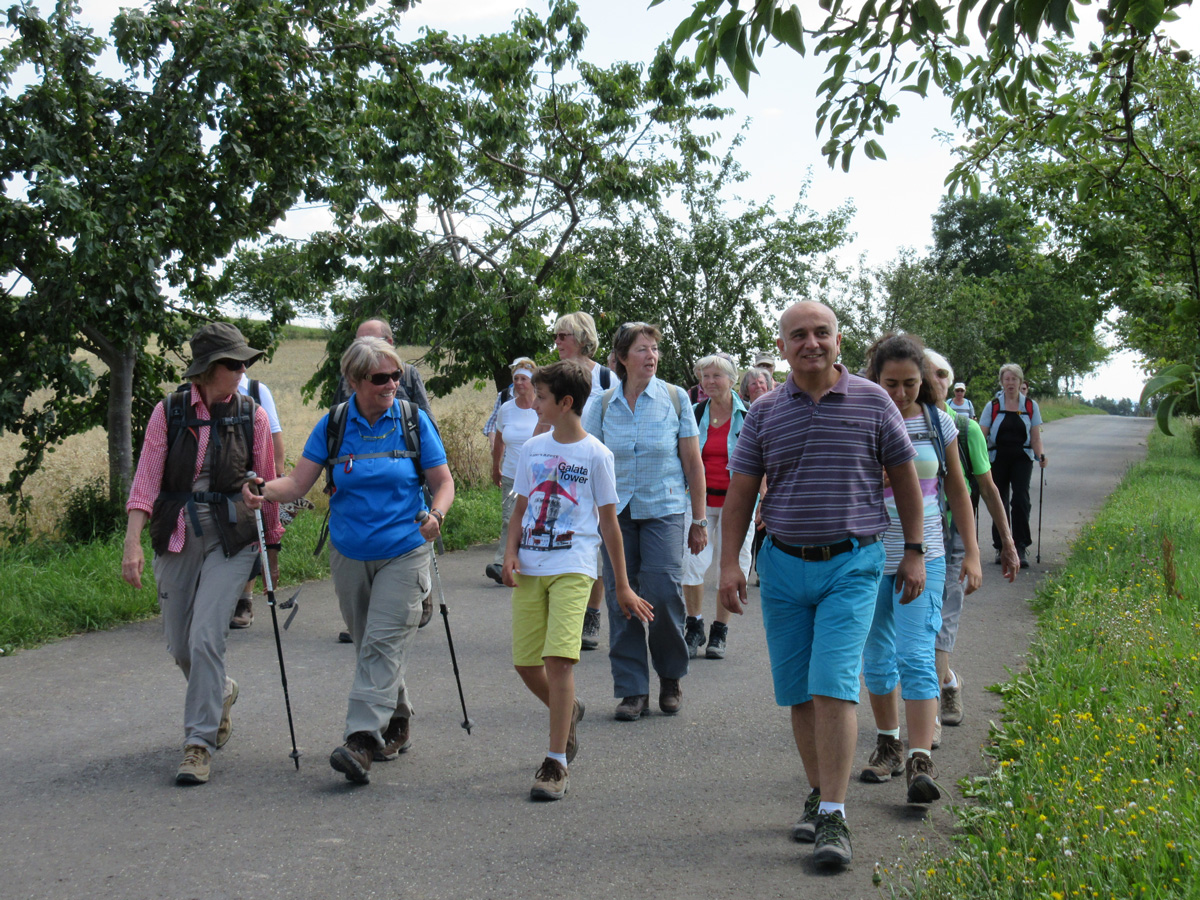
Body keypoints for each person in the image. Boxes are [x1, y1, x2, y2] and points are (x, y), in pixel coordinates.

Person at [717, 301, 926, 872]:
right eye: (798, 335)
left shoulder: (872, 400)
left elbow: (906, 480)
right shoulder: (762, 412)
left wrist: (913, 551)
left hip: (851, 564)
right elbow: (740, 493)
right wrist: (729, 567)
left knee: (833, 684)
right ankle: (818, 791)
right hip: (782, 566)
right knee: (799, 692)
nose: (811, 342)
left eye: (822, 333)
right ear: (782, 346)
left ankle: (833, 814)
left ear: (838, 340)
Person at [244, 336, 454, 785]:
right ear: (355, 380)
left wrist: (437, 515)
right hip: (349, 553)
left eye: (396, 375)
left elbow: (443, 482)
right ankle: (398, 720)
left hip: (405, 549)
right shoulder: (335, 424)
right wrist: (263, 490)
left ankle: (360, 741)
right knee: (369, 644)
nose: (392, 384)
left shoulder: (413, 421)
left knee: (379, 643)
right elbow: (297, 484)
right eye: (381, 377)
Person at [122, 322, 282, 785]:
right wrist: (132, 542)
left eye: (244, 363)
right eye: (234, 364)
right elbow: (147, 480)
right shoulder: (168, 411)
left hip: (231, 537)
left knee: (206, 636)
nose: (242, 370)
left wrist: (271, 547)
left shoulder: (251, 414)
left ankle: (198, 743)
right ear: (209, 370)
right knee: (178, 643)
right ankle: (221, 692)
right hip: (176, 530)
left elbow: (265, 482)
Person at [502, 360, 653, 800]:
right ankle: (567, 710)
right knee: (525, 664)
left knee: (559, 661)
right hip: (531, 567)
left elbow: (609, 525)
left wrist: (621, 585)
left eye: (543, 397)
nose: (535, 404)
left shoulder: (596, 455)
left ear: (566, 402)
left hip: (574, 566)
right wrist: (511, 552)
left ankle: (556, 763)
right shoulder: (533, 449)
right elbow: (520, 509)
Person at [857, 334, 982, 808]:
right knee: (877, 658)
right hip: (867, 555)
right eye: (891, 383)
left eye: (911, 383)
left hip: (924, 553)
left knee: (916, 654)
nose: (900, 393)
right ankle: (888, 744)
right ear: (875, 379)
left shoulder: (939, 422)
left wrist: (970, 551)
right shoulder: (860, 418)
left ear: (925, 382)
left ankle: (920, 759)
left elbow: (958, 492)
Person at [582, 322, 707, 721]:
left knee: (662, 590)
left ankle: (670, 675)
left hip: (664, 508)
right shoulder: (601, 404)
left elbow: (692, 462)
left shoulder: (675, 399)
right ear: (621, 357)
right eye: (641, 349)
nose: (651, 356)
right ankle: (632, 689)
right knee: (622, 597)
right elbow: (588, 460)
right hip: (614, 512)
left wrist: (699, 519)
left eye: (654, 349)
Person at [925, 350, 1020, 733]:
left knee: (940, 623)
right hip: (906, 539)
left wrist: (1007, 543)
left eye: (939, 376)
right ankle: (948, 682)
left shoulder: (966, 430)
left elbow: (988, 488)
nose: (932, 383)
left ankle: (925, 722)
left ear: (948, 383)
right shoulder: (895, 424)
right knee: (913, 631)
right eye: (925, 375)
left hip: (952, 537)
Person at [331, 317, 435, 640]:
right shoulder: (345, 387)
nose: (390, 382)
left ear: (390, 343)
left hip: (406, 476)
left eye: (372, 340)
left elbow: (426, 419)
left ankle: (417, 595)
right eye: (358, 342)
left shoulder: (410, 377)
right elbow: (337, 427)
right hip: (356, 500)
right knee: (373, 647)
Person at [548, 312, 615, 652]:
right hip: (561, 472)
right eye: (556, 336)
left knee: (599, 541)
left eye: (563, 336)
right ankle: (564, 611)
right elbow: (543, 419)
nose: (557, 342)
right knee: (567, 539)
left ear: (582, 337)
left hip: (596, 470)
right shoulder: (555, 375)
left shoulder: (606, 377)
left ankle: (591, 611)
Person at [683, 355, 754, 660]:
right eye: (705, 376)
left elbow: (760, 462)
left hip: (737, 504)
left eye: (717, 376)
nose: (710, 381)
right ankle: (694, 624)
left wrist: (764, 499)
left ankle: (719, 632)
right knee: (689, 563)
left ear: (732, 379)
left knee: (733, 564)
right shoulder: (694, 412)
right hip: (697, 501)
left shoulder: (749, 415)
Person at [229, 371, 286, 629]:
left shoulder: (255, 390)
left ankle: (244, 600)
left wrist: (275, 476)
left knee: (250, 534)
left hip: (251, 474)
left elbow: (274, 433)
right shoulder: (190, 392)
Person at [978, 363, 1047, 569]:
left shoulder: (1030, 406)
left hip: (1022, 458)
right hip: (996, 457)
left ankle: (1020, 546)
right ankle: (1001, 546)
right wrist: (975, 457)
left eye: (1014, 379)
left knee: (1020, 501)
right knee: (998, 500)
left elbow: (1035, 437)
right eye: (1007, 379)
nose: (1010, 383)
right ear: (1002, 382)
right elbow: (981, 434)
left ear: (1020, 382)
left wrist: (1040, 454)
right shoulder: (993, 406)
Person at [487, 357, 542, 584]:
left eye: (524, 379)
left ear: (532, 382)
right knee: (510, 518)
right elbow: (499, 441)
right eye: (516, 379)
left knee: (536, 518)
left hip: (538, 475)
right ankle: (502, 564)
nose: (519, 383)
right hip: (511, 473)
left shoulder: (542, 406)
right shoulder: (506, 409)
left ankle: (533, 563)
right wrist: (495, 467)